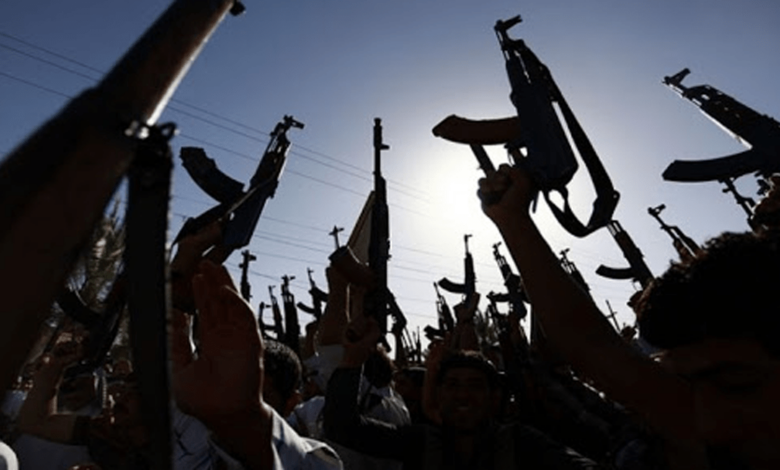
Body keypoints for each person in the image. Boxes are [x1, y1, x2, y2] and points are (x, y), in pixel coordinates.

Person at [478, 163, 780, 469]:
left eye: (737, 384)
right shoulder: (716, 421)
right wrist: (512, 220)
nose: (707, 421)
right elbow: (590, 345)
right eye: (685, 382)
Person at [323, 314, 600, 470]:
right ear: (439, 395)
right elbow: (342, 427)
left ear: (494, 397)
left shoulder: (521, 442)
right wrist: (354, 358)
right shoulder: (419, 441)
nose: (463, 395)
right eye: (453, 385)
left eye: (475, 385)